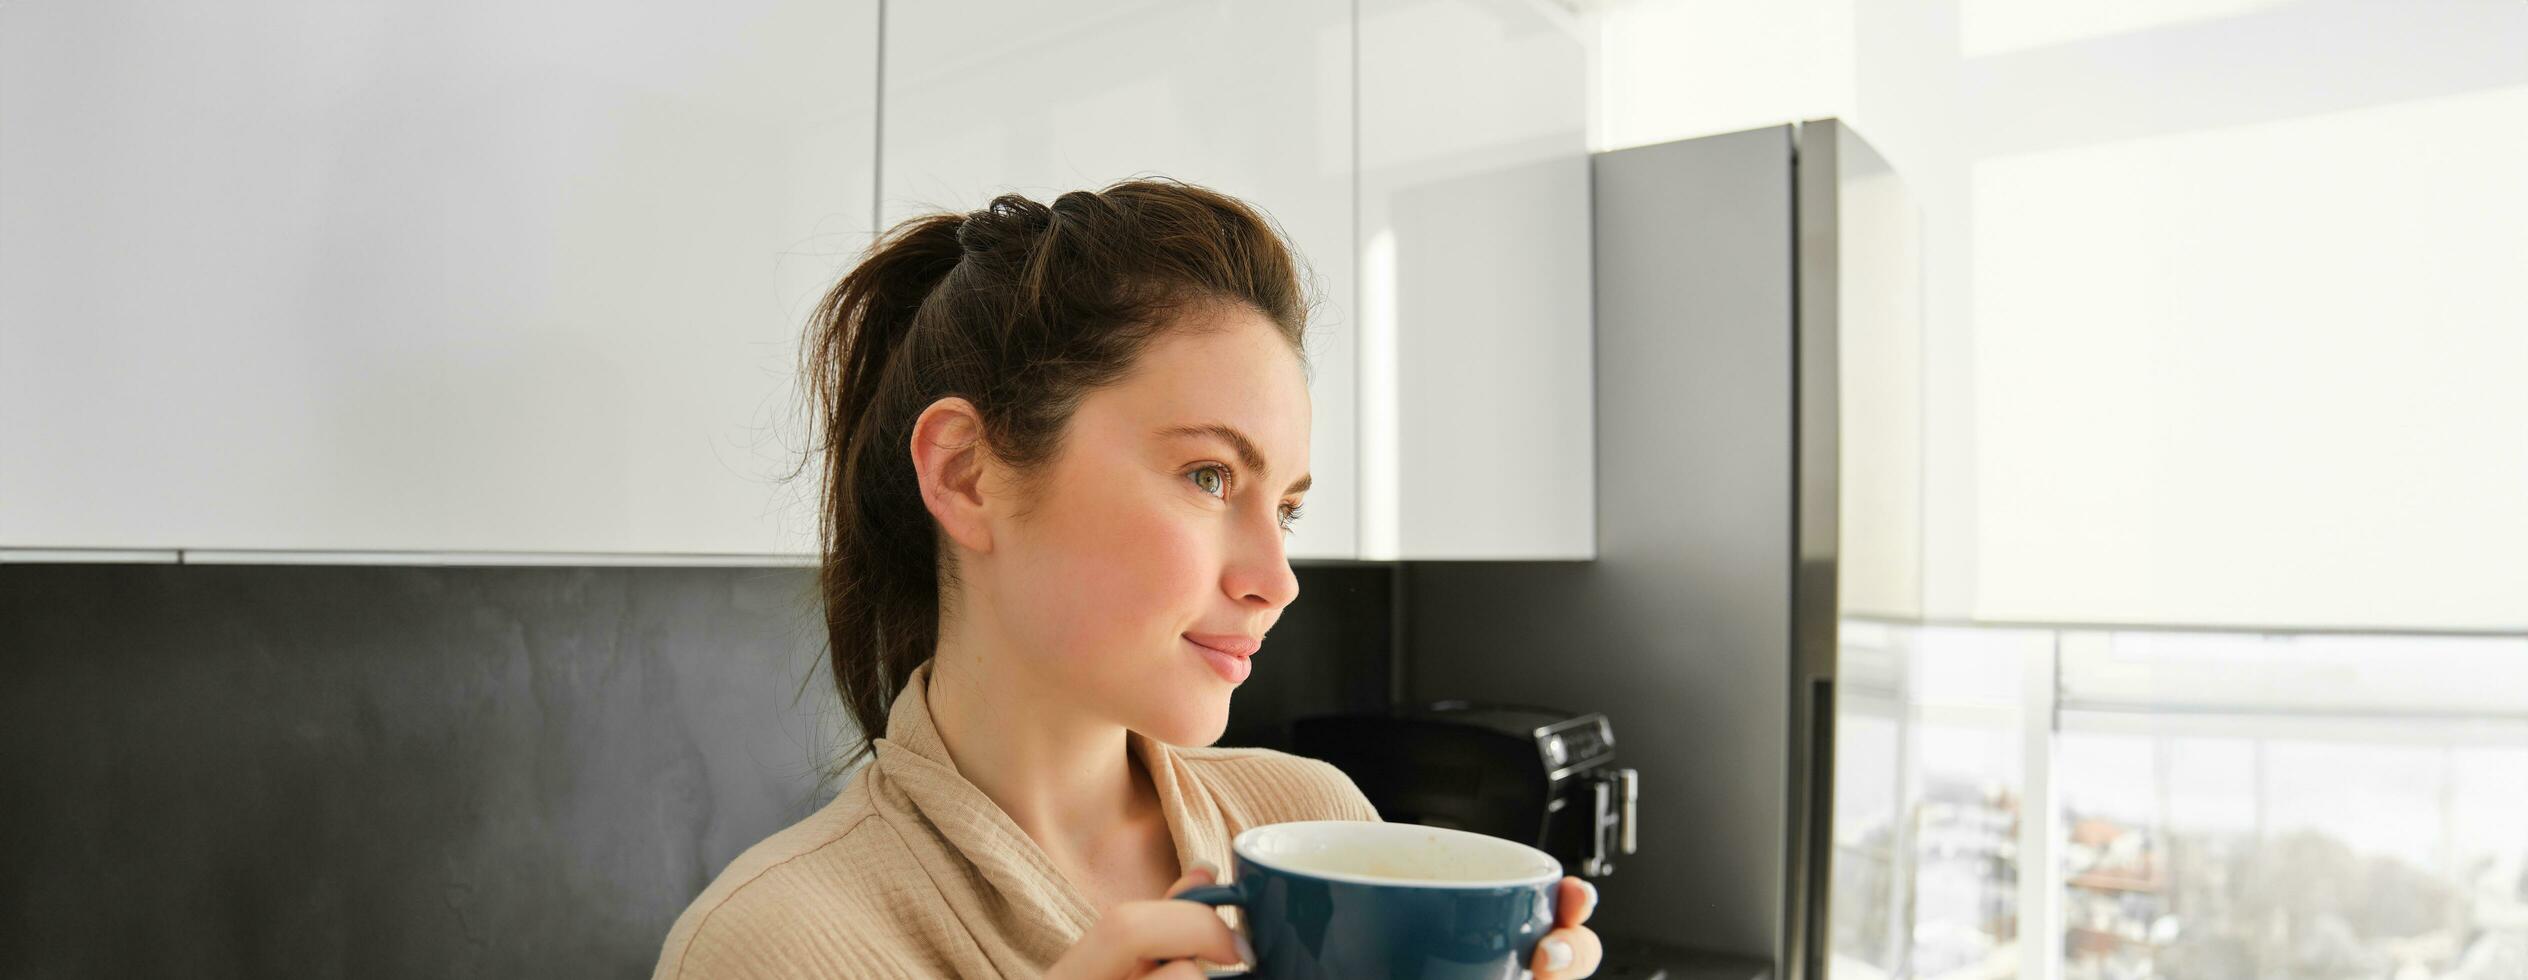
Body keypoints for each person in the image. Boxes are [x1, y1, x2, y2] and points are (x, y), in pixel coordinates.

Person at [651, 180, 1603, 978]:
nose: (1278, 579)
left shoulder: (1310, 823)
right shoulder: (770, 945)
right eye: (1208, 475)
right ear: (965, 474)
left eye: (1288, 508)